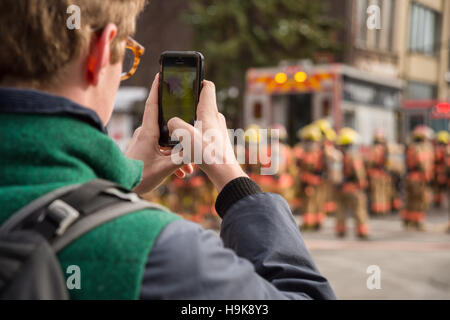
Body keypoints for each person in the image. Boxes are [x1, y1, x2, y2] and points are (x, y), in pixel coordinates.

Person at [0, 0, 335, 299]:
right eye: (127, 57)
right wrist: (235, 183)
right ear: (99, 53)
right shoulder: (162, 253)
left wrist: (120, 177)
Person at [335, 128, 370, 239]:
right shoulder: (354, 157)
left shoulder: (338, 156)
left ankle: (340, 231)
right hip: (354, 189)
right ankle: (362, 231)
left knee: (341, 211)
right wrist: (363, 185)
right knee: (359, 211)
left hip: (341, 188)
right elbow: (359, 173)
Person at [401, 126, 435, 231]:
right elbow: (423, 163)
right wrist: (428, 178)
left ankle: (408, 221)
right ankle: (418, 222)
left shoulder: (411, 147)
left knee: (410, 200)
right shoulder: (422, 148)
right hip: (419, 178)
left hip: (410, 177)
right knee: (420, 201)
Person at [297, 124, 326, 231]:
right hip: (317, 181)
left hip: (309, 182)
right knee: (317, 202)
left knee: (309, 203)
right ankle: (317, 222)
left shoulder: (308, 154)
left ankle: (309, 223)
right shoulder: (320, 152)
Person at [367, 130, 392, 215]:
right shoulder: (386, 149)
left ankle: (377, 210)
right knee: (383, 192)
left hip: (375, 173)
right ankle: (383, 209)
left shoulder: (374, 149)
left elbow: (370, 162)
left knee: (376, 192)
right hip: (384, 173)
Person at [433, 131, 449, 208]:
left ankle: (438, 202)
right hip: (443, 171)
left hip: (440, 171)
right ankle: (438, 201)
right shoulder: (446, 149)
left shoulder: (437, 149)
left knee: (438, 188)